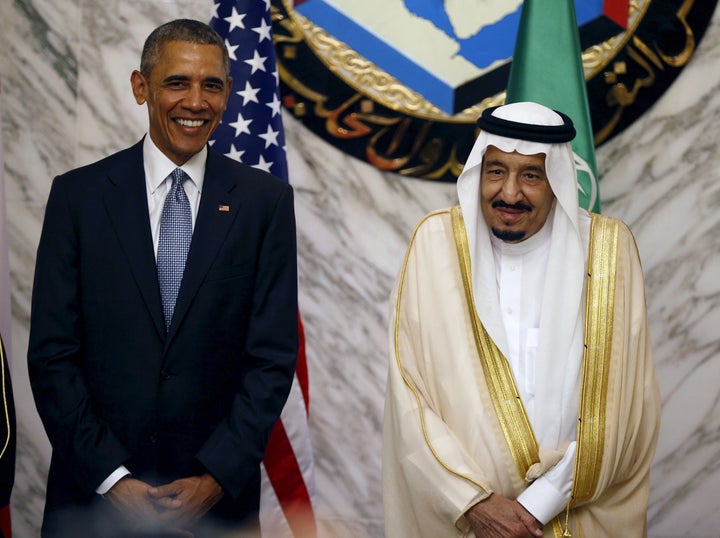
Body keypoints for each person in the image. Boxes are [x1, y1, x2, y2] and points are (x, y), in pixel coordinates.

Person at [28, 19, 299, 537]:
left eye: (211, 85)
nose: (195, 102)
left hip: (216, 509)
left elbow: (271, 359)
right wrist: (112, 478)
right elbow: (51, 354)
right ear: (141, 87)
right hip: (92, 503)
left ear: (228, 94)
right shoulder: (78, 197)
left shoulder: (265, 203)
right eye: (177, 82)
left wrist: (215, 476)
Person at [383, 101, 660, 537]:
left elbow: (626, 407)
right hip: (468, 521)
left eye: (530, 175)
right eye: (495, 171)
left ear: (558, 181)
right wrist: (473, 501)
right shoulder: (434, 244)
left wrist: (535, 507)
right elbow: (409, 395)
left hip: (574, 516)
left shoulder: (608, 252)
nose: (509, 193)